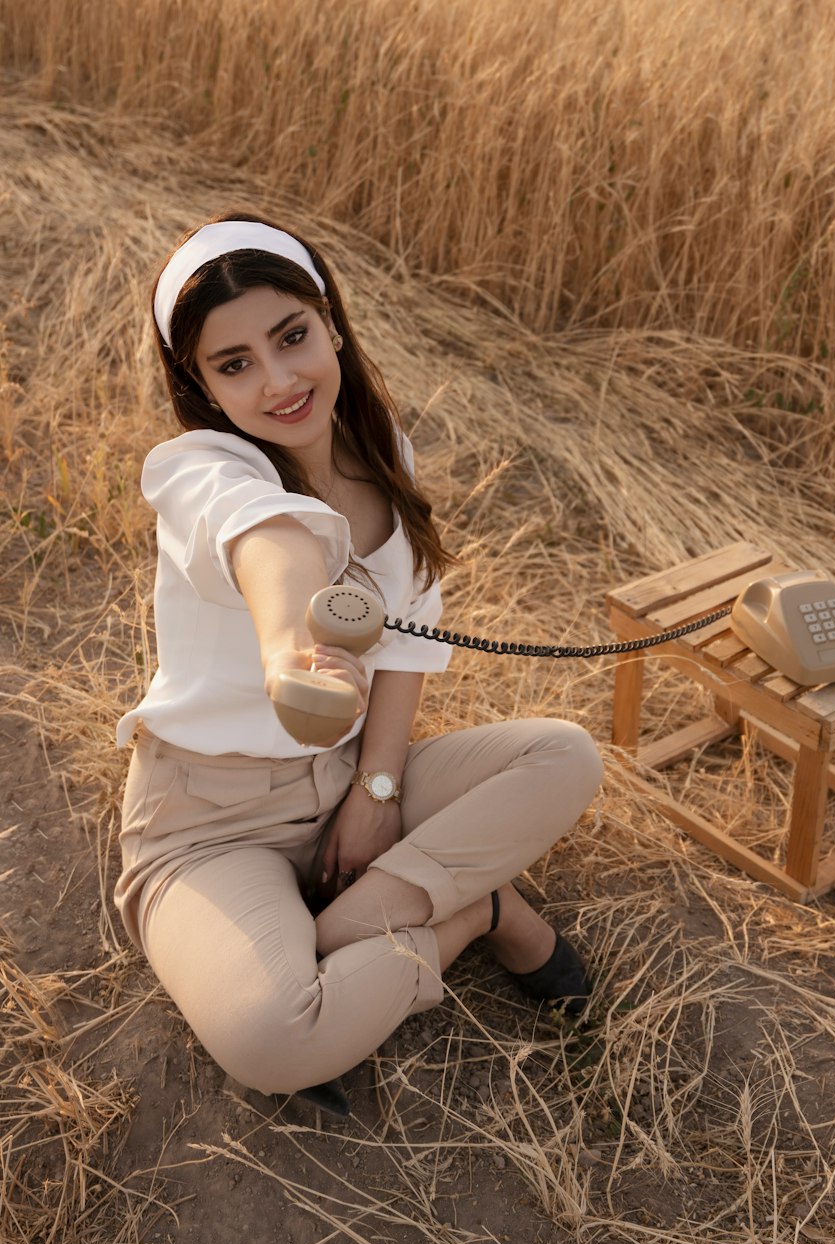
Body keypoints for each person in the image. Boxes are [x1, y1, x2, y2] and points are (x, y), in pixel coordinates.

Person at [115, 213, 604, 1118]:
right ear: (202, 385)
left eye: (292, 337)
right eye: (234, 364)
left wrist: (375, 792)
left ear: (331, 322)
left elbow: (408, 643)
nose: (278, 381)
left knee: (566, 754)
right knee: (271, 1041)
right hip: (210, 823)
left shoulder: (388, 459)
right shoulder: (195, 470)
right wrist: (290, 650)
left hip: (341, 778)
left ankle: (335, 932)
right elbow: (271, 545)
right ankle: (482, 916)